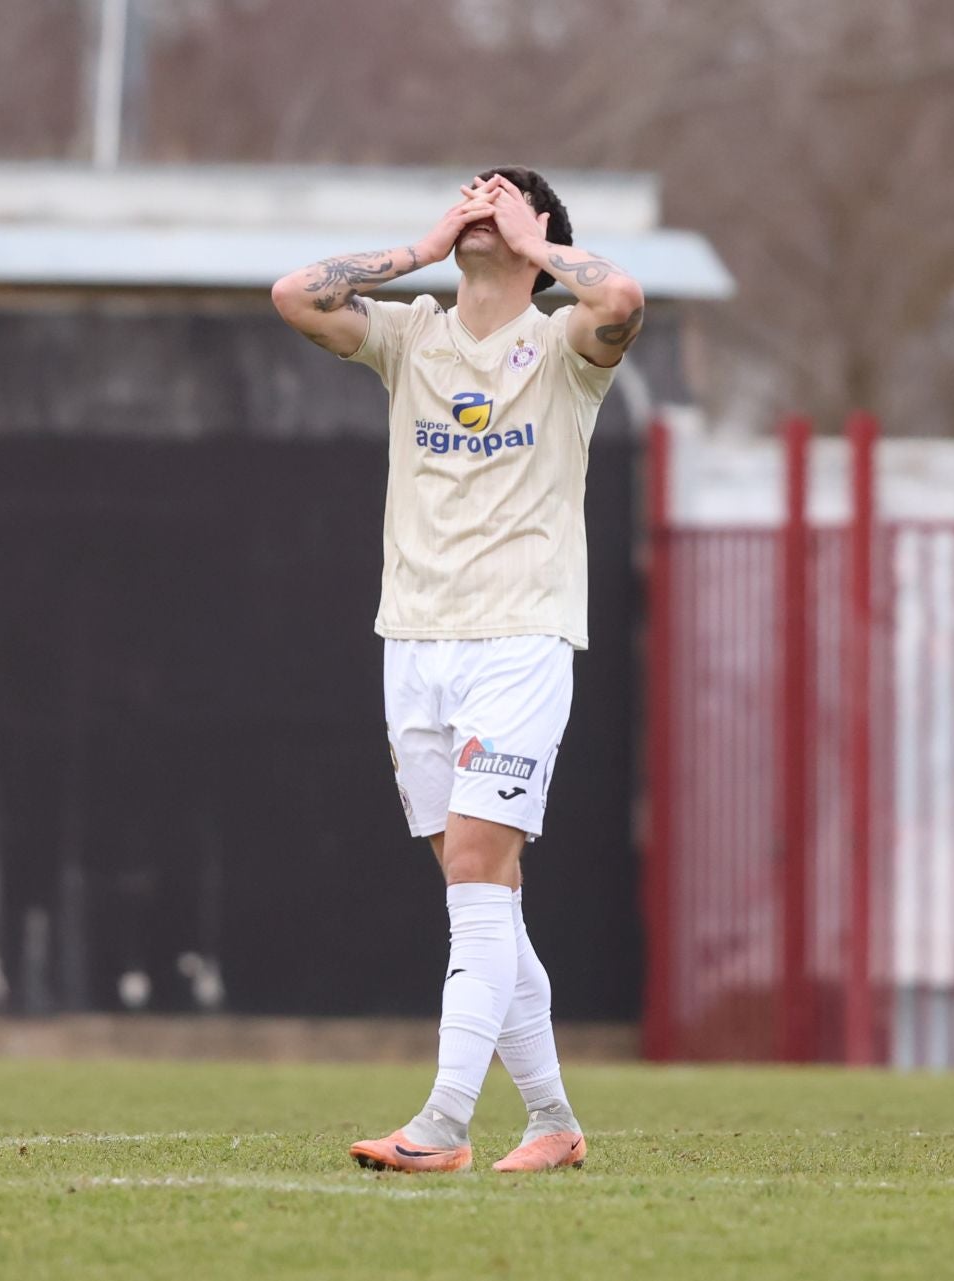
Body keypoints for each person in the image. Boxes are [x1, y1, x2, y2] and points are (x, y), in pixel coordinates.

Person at [269, 167, 643, 1173]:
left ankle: (441, 1125)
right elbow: (296, 293)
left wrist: (538, 243)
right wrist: (421, 249)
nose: (485, 204)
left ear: (539, 231)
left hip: (520, 639)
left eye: (507, 199)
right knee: (486, 893)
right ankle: (555, 1122)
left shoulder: (567, 348)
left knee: (478, 875)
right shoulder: (413, 335)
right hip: (416, 642)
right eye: (473, 193)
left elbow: (620, 300)